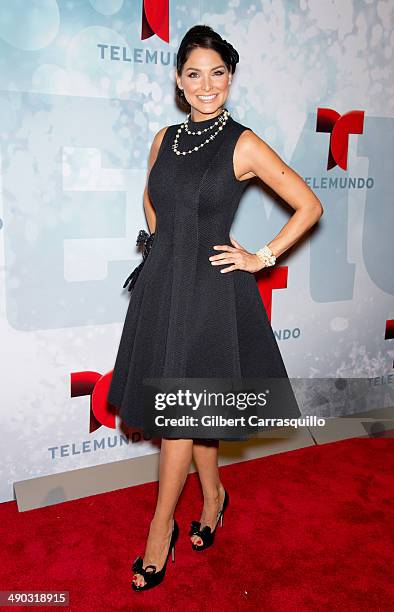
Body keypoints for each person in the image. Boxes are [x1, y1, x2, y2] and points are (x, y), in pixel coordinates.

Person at [107, 24, 323, 591]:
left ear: (230, 78)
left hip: (209, 292)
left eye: (218, 73)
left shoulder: (243, 143)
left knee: (184, 412)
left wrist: (263, 257)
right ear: (179, 82)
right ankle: (215, 497)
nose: (207, 85)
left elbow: (308, 205)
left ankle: (160, 532)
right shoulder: (164, 139)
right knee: (200, 411)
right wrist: (160, 251)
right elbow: (153, 205)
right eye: (194, 74)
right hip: (163, 289)